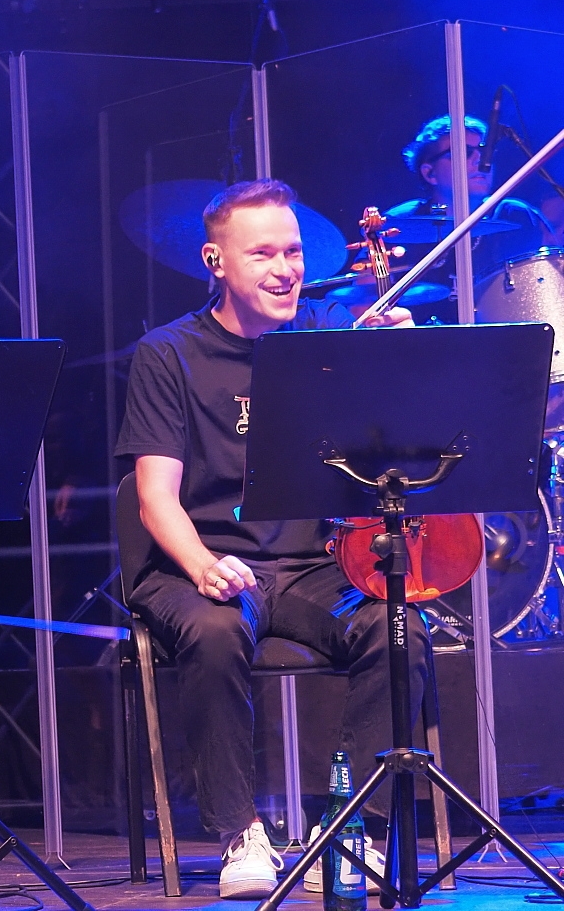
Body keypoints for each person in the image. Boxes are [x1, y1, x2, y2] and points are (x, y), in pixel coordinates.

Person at [115, 179, 424, 900]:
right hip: (200, 561)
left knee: (399, 627)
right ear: (215, 261)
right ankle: (240, 833)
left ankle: (348, 829)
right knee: (215, 630)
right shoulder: (169, 353)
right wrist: (201, 564)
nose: (285, 269)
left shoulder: (328, 333)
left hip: (315, 564)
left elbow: (396, 438)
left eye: (293, 252)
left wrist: (402, 357)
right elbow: (155, 496)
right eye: (263, 254)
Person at [384, 114, 550, 319]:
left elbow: (553, 281)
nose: (479, 159)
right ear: (430, 173)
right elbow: (361, 299)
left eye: (484, 151)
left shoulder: (515, 215)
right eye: (464, 152)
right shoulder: (398, 223)